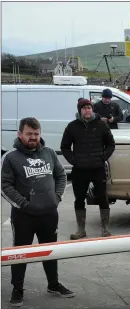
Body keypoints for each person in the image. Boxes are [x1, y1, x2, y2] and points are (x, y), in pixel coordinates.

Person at [1, 117, 75, 307]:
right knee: (21, 253)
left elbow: (61, 176)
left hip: (49, 214)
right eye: (29, 134)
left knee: (49, 251)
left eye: (36, 134)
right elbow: (4, 186)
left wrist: (57, 198)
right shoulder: (10, 157)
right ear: (20, 134)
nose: (33, 137)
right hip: (24, 216)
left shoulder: (49, 153)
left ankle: (53, 284)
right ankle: (17, 289)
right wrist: (24, 204)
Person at [60, 99, 116, 239]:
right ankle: (81, 230)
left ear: (92, 109)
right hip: (80, 170)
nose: (87, 110)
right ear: (80, 110)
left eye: (89, 107)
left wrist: (103, 157)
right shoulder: (72, 126)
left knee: (103, 197)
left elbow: (111, 144)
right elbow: (64, 147)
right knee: (79, 199)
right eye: (84, 108)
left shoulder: (101, 125)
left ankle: (105, 228)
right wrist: (74, 160)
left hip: (98, 168)